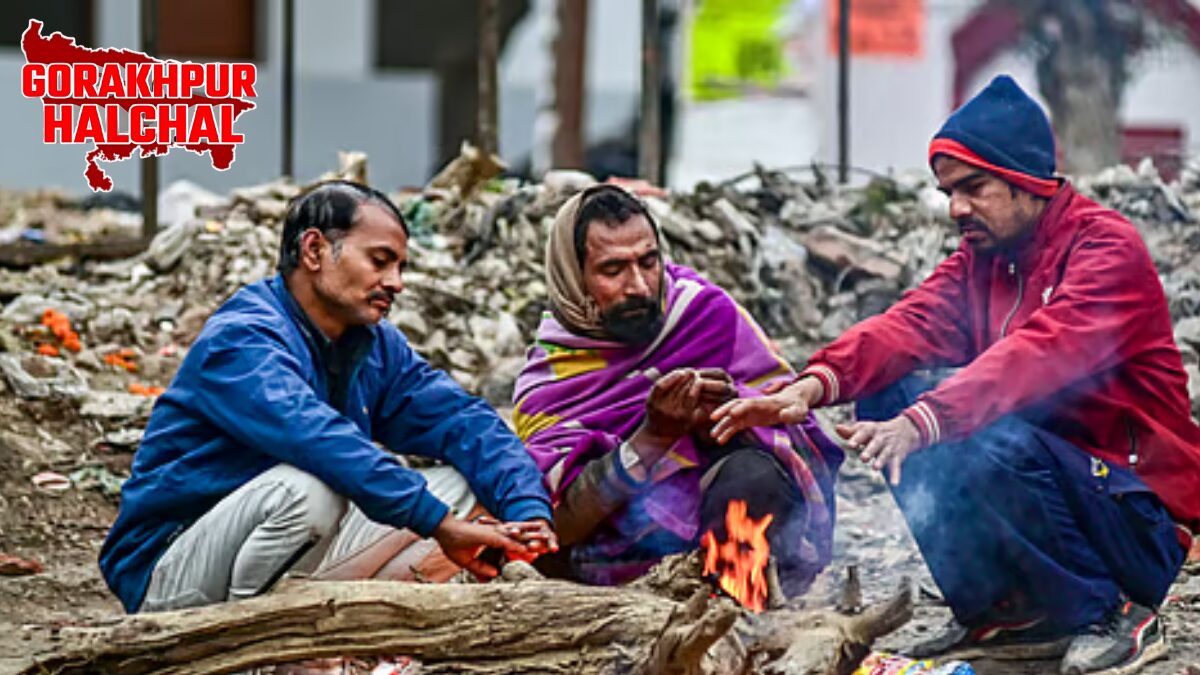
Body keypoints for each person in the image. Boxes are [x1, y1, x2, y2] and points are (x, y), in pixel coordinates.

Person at [712, 75, 1200, 674]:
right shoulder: (984, 260)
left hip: (1137, 516)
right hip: (1058, 486)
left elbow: (1039, 355)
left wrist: (926, 422)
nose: (956, 208)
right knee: (889, 395)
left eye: (974, 187)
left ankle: (1117, 612)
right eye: (948, 191)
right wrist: (808, 388)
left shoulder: (1106, 250)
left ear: (1030, 182)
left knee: (985, 430)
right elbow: (907, 326)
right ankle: (1005, 610)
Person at [100, 181, 557, 614]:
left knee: (466, 486)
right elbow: (317, 438)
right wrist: (436, 522)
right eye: (380, 261)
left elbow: (463, 420)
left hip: (278, 554)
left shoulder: (370, 343)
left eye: (400, 266)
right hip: (169, 571)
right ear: (314, 250)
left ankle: (337, 644)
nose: (396, 282)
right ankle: (256, 654)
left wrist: (528, 512)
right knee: (312, 490)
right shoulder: (242, 338)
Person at [512, 184, 842, 595]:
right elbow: (554, 519)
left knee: (754, 476)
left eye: (648, 262)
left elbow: (791, 417)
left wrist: (729, 413)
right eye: (613, 270)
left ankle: (736, 608)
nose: (640, 286)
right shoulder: (551, 377)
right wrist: (652, 438)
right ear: (573, 278)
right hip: (606, 573)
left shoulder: (704, 315)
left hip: (716, 542)